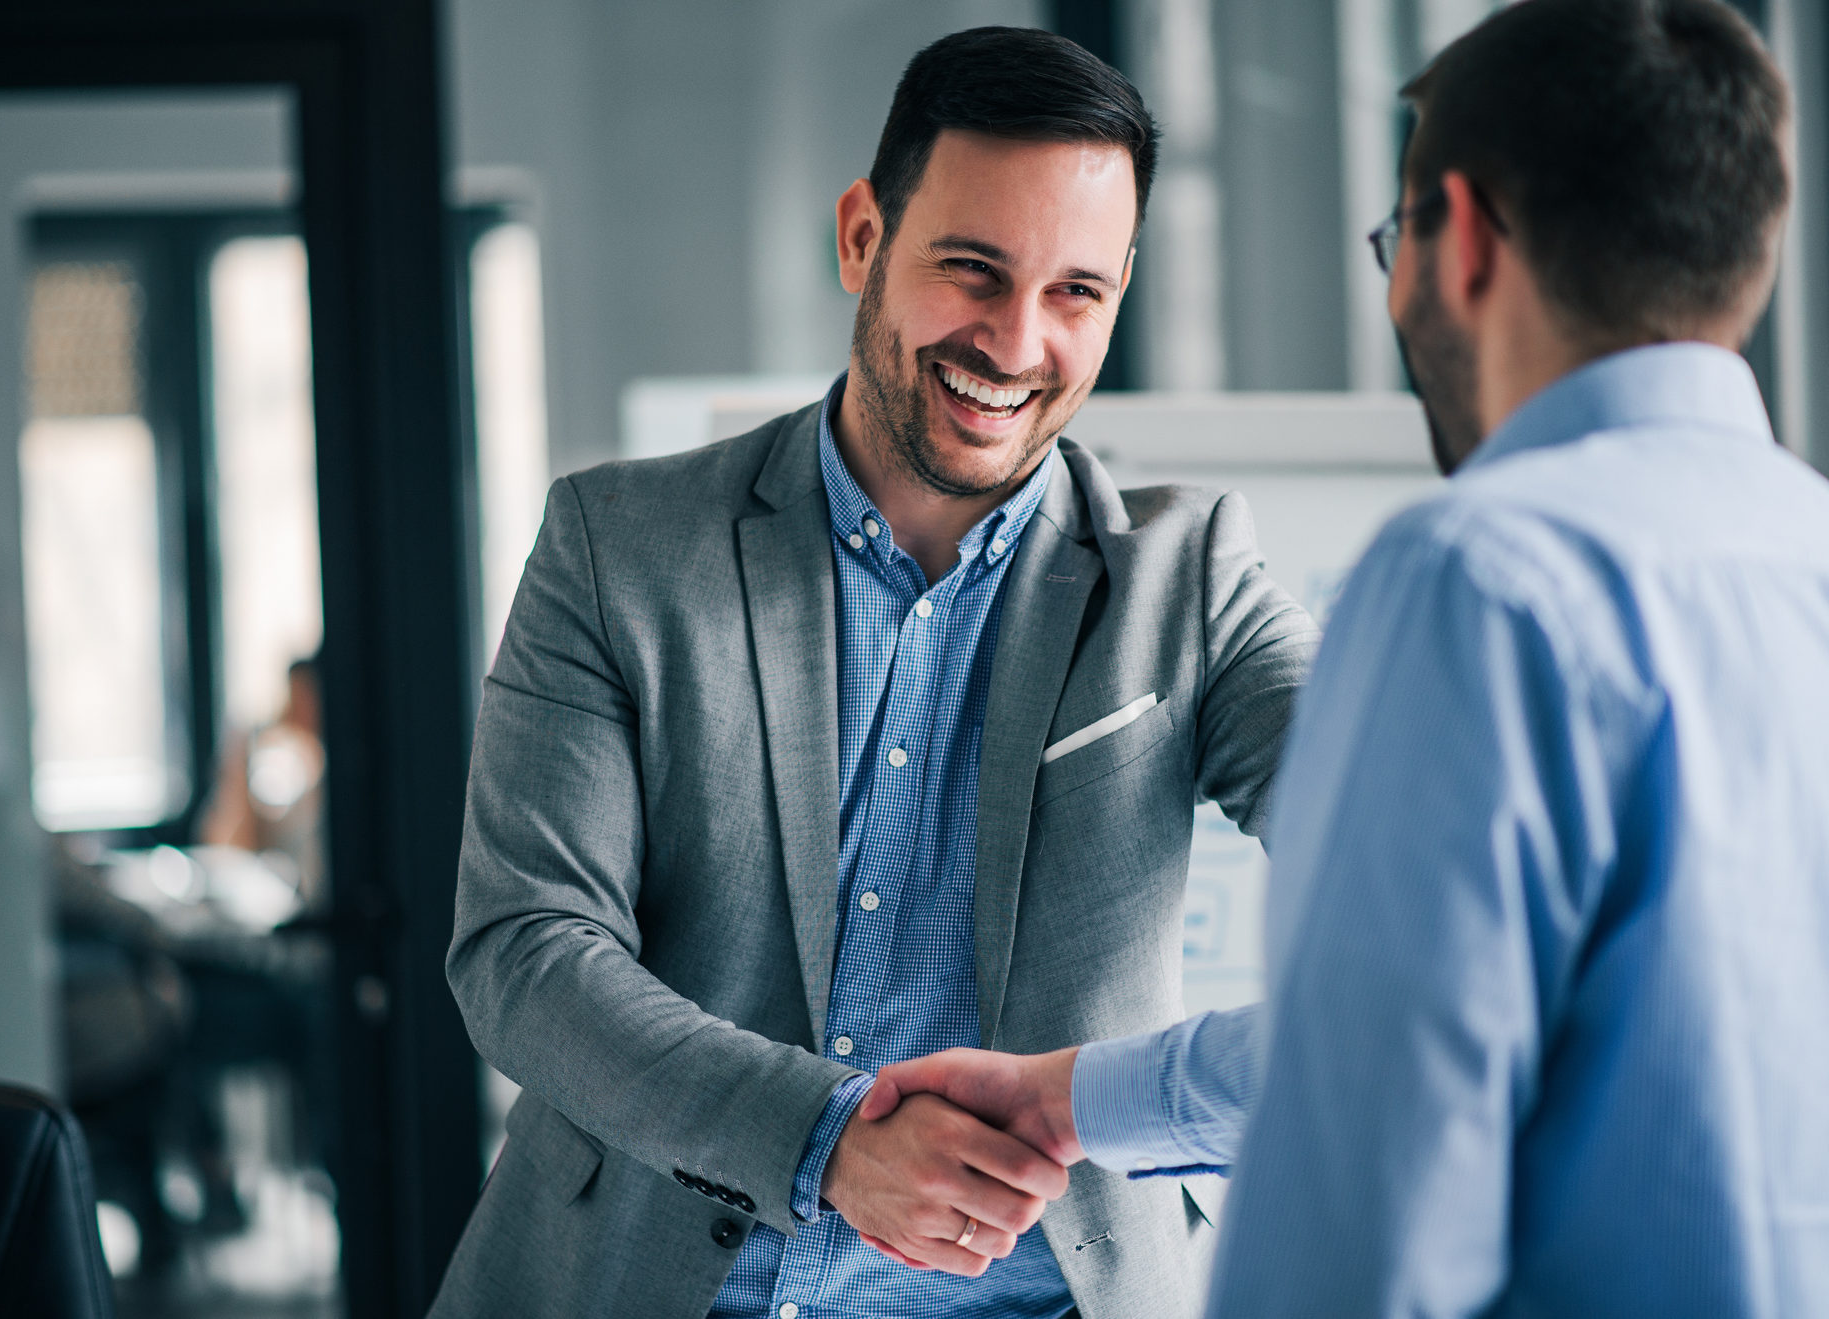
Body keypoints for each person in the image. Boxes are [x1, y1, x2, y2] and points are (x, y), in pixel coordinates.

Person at [864, 1, 1829, 1314]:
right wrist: (1072, 1099)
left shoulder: (1481, 578)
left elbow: (1367, 1157)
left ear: (1464, 237)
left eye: (1397, 238)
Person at [432, 26, 1318, 1319]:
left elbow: (1413, 876)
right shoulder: (618, 549)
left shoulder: (1190, 583)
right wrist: (827, 1140)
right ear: (863, 238)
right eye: (972, 270)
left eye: (1077, 293)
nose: (1017, 343)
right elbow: (525, 953)